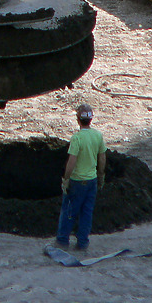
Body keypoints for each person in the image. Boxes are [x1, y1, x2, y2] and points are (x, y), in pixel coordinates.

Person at [55, 103, 107, 251]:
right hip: (92, 181)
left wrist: (66, 178)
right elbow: (102, 158)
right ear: (91, 119)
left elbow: (72, 161)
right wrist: (101, 175)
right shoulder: (97, 136)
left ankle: (62, 241)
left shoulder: (77, 138)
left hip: (77, 182)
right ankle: (83, 243)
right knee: (87, 213)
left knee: (69, 211)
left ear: (78, 119)